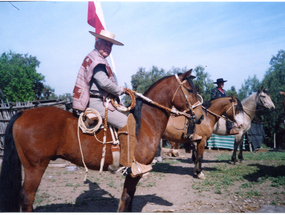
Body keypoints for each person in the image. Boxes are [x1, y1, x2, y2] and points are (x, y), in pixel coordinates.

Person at [72, 29, 152, 177]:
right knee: (128, 123)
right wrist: (119, 90)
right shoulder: (97, 60)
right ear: (97, 42)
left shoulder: (95, 58)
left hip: (101, 100)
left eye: (110, 46)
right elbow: (103, 82)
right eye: (105, 44)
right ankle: (129, 165)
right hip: (96, 102)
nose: (108, 48)